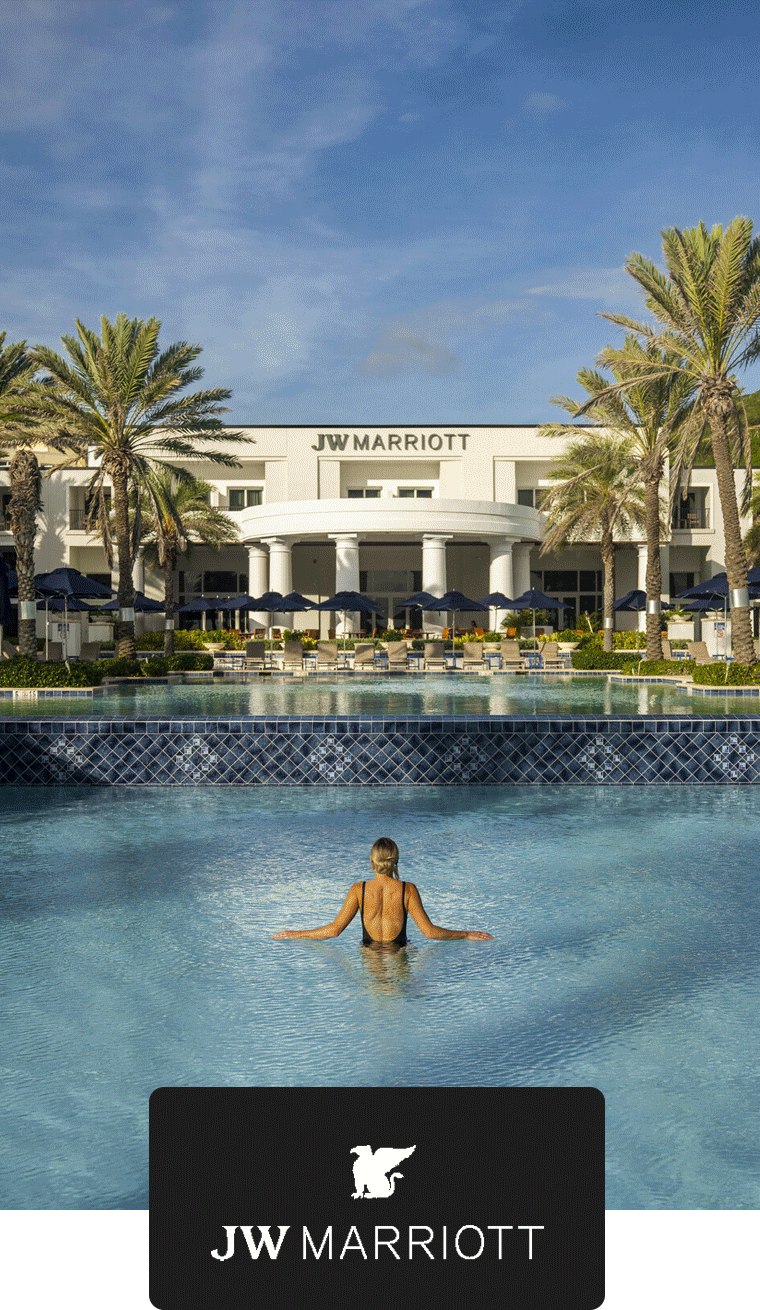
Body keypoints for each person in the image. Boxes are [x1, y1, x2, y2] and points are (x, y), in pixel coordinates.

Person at [272, 837, 493, 943]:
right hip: (399, 958)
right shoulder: (408, 890)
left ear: (371, 860)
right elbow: (430, 932)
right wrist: (465, 934)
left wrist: (295, 934)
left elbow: (334, 930)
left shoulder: (359, 890)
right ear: (396, 861)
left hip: (370, 960)